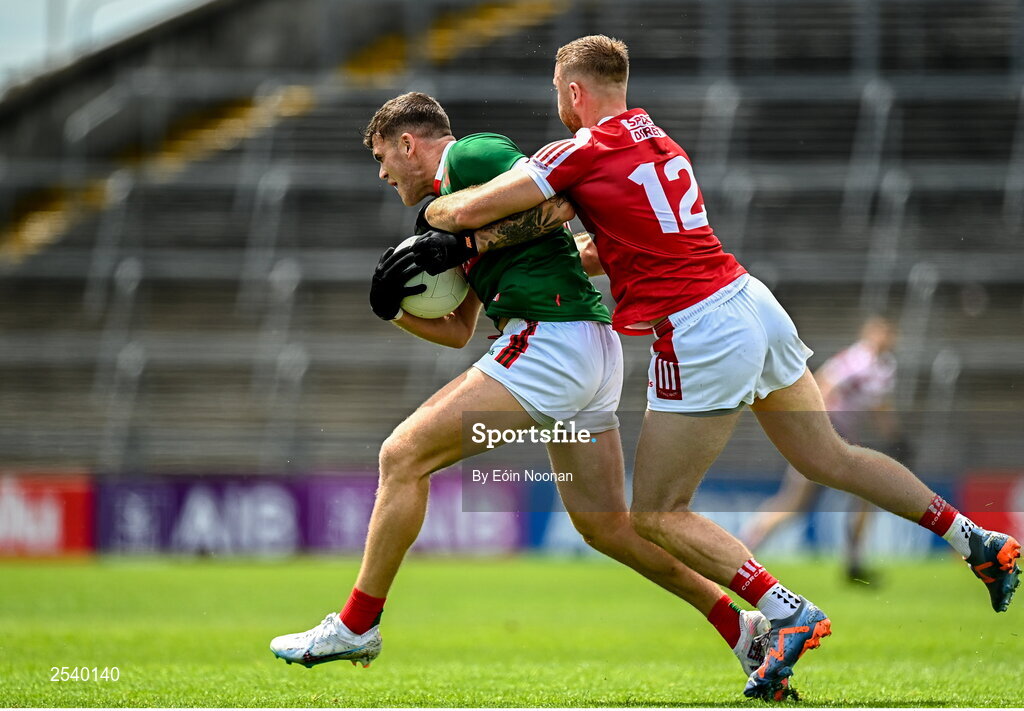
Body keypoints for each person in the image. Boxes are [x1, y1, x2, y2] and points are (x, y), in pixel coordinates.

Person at [413, 36, 1022, 700]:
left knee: (656, 512)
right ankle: (977, 539)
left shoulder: (580, 150)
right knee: (831, 456)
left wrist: (435, 217)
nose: (559, 106)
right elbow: (611, 247)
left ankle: (787, 611)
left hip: (700, 328)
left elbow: (468, 208)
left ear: (574, 93)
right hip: (752, 301)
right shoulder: (657, 138)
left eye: (559, 94)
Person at [268, 92, 777, 683]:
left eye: (383, 158)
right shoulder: (449, 208)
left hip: (552, 341)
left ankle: (358, 625)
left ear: (410, 144)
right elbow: (460, 330)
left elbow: (561, 204)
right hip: (586, 346)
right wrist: (396, 312)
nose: (382, 174)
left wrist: (466, 242)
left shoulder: (471, 156)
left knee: (401, 456)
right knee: (606, 525)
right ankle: (741, 629)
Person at [741, 316, 905, 582]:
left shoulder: (881, 366)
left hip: (841, 434)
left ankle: (853, 561)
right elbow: (823, 384)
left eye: (888, 334)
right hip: (829, 431)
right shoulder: (858, 360)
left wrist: (895, 435)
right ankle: (746, 546)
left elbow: (880, 405)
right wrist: (815, 425)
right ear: (868, 333)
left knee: (864, 495)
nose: (884, 339)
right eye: (880, 333)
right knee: (797, 503)